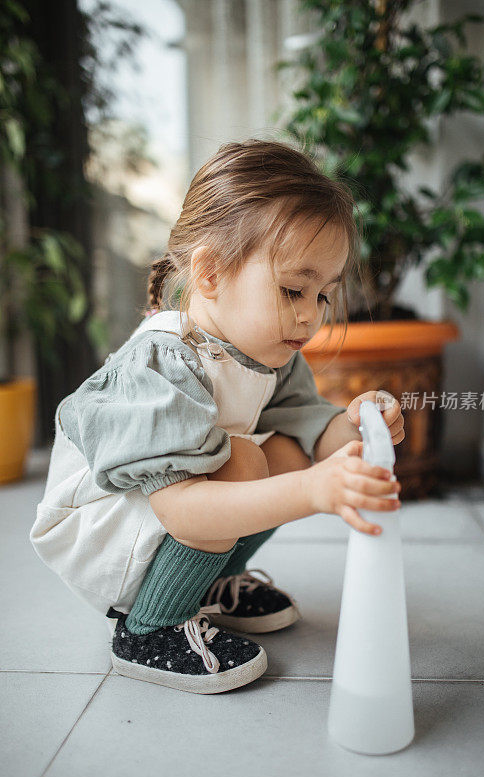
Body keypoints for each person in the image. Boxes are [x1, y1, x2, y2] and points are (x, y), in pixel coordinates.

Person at [30, 138, 405, 695]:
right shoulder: (160, 365)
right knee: (248, 461)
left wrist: (360, 427)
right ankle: (149, 626)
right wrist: (312, 492)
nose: (311, 316)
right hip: (105, 526)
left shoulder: (269, 352)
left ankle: (209, 583)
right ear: (209, 274)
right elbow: (184, 511)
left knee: (282, 450)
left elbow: (312, 432)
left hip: (173, 516)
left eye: (324, 295)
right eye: (293, 290)